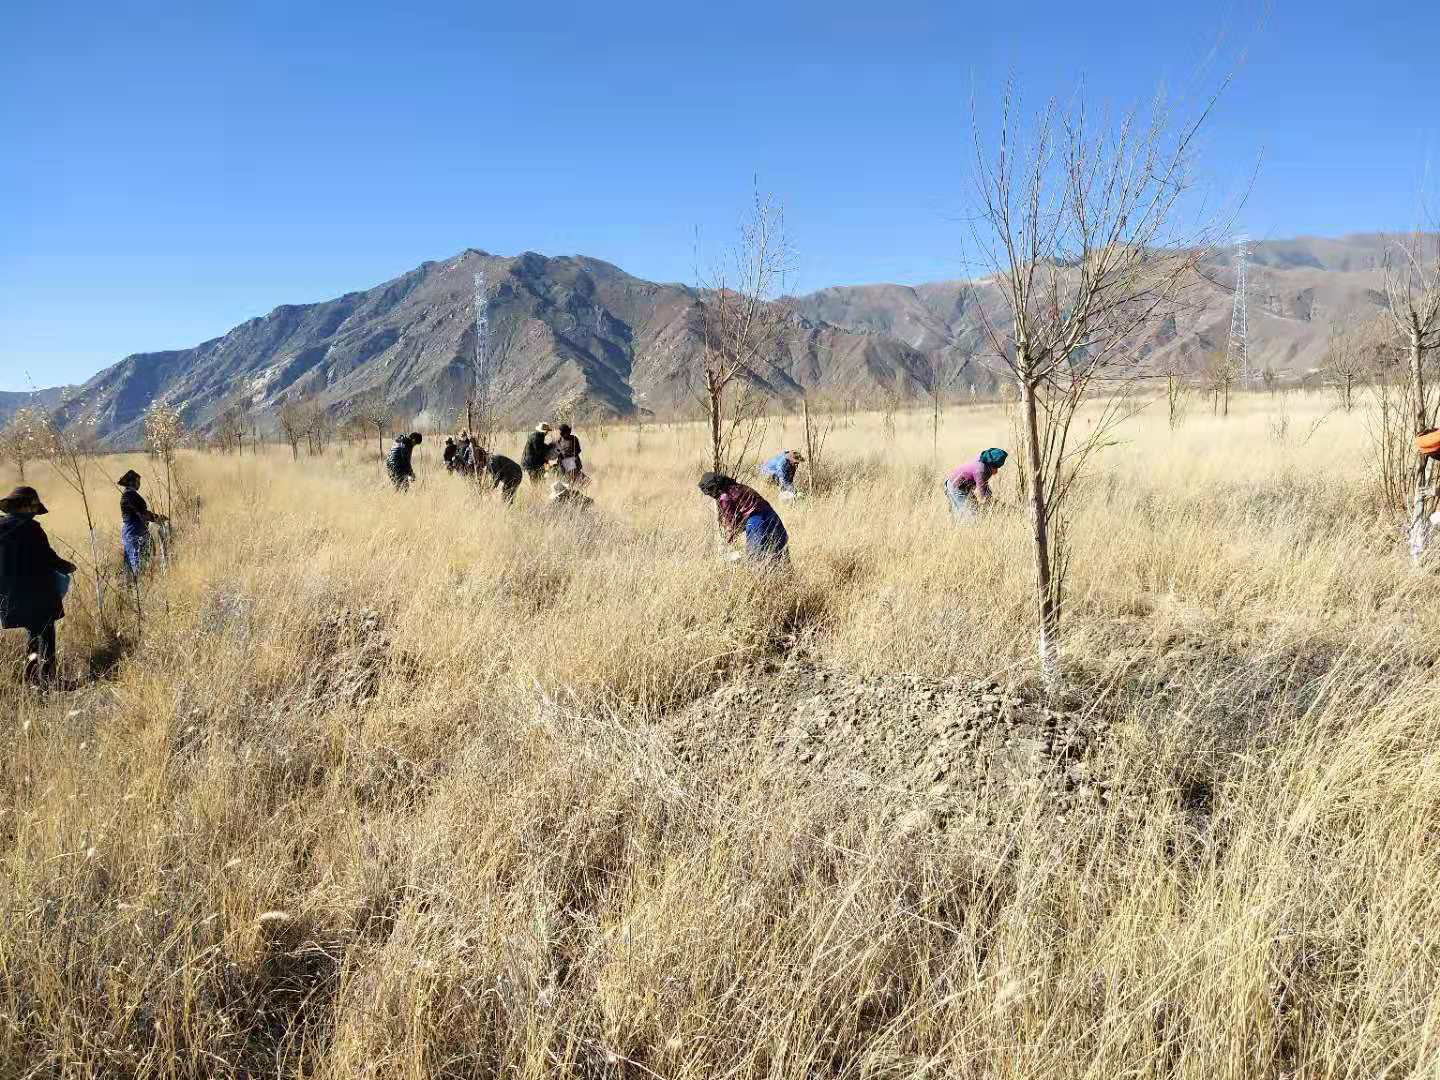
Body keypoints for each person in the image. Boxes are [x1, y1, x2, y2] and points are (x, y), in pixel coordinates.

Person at [0, 486, 77, 688]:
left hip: (11, 595)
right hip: (38, 592)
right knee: (47, 634)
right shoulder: (32, 529)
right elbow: (48, 558)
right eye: (33, 507)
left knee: (33, 635)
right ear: (24, 506)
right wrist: (68, 566)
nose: (34, 512)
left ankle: (32, 680)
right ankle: (51, 679)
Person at [697, 472, 788, 564]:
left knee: (756, 559)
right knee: (779, 553)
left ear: (713, 488)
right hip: (771, 514)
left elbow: (732, 521)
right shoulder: (739, 487)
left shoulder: (724, 497)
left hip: (756, 521)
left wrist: (728, 540)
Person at [117, 469, 168, 576]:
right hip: (134, 532)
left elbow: (142, 513)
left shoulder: (128, 495)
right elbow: (143, 514)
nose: (139, 484)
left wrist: (155, 517)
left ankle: (133, 587)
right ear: (131, 482)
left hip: (131, 532)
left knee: (131, 565)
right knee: (137, 564)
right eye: (137, 481)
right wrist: (156, 518)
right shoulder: (131, 496)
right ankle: (138, 587)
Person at [945, 448, 1007, 520]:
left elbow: (984, 486)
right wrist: (993, 503)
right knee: (969, 516)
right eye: (996, 467)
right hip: (956, 487)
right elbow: (983, 494)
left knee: (974, 509)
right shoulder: (980, 470)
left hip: (966, 487)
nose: (997, 471)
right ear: (992, 465)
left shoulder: (984, 457)